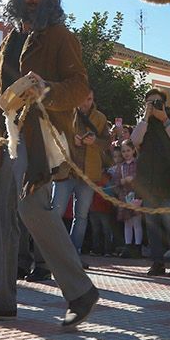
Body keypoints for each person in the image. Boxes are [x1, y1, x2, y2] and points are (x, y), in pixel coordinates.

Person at [0, 0, 99, 328]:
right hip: (6, 137)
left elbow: (79, 87)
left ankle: (80, 291)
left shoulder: (60, 37)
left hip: (40, 137)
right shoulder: (8, 39)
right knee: (0, 217)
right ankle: (1, 298)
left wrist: (44, 91)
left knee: (31, 206)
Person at [131, 89, 170, 277]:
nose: (154, 106)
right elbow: (135, 140)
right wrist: (146, 117)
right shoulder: (144, 123)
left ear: (165, 104)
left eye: (158, 102)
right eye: (150, 103)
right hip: (150, 182)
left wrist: (164, 118)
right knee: (152, 224)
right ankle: (157, 263)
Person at [67, 89, 111, 258]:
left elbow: (107, 142)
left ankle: (74, 253)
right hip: (68, 170)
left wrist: (94, 142)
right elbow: (59, 136)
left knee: (82, 215)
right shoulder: (68, 113)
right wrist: (73, 140)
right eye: (83, 99)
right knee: (55, 210)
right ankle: (55, 252)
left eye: (90, 99)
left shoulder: (100, 118)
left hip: (89, 172)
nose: (86, 103)